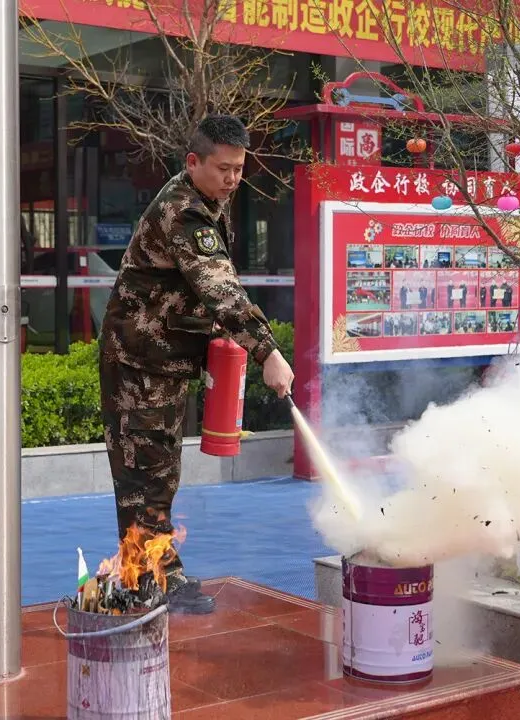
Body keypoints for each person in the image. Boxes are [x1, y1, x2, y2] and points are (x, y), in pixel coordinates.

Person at [98, 115, 295, 615]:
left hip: (161, 359)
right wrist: (267, 351)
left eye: (239, 169)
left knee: (161, 474)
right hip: (138, 363)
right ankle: (141, 582)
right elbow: (219, 289)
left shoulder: (207, 203)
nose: (233, 179)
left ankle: (161, 570)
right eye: (223, 168)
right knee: (143, 476)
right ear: (194, 162)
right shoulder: (184, 212)